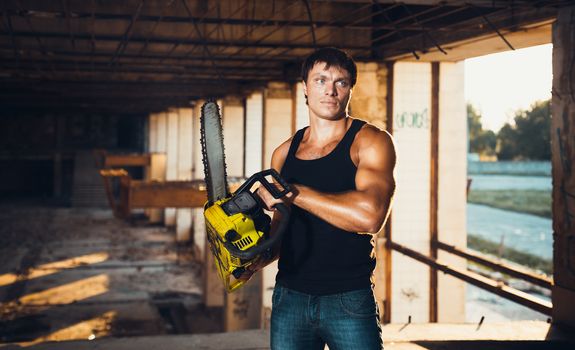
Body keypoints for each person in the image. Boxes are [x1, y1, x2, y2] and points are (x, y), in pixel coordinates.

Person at [255, 47, 396, 350]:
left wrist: (296, 193)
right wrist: (253, 257)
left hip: (348, 298)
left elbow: (370, 217)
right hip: (289, 296)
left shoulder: (370, 142)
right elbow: (281, 228)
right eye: (320, 80)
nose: (330, 90)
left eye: (340, 82)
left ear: (349, 89)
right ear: (305, 87)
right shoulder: (283, 153)